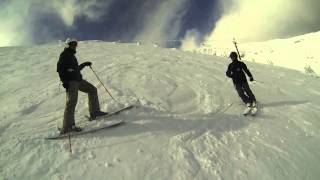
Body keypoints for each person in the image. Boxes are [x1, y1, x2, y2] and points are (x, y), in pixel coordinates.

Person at [57, 38, 108, 134]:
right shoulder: (64, 55)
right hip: (71, 82)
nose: (74, 46)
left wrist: (84, 64)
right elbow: (60, 69)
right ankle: (68, 127)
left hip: (78, 80)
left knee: (92, 90)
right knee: (72, 101)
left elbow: (76, 69)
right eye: (72, 44)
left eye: (76, 44)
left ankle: (95, 113)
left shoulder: (72, 56)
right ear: (68, 45)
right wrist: (65, 82)